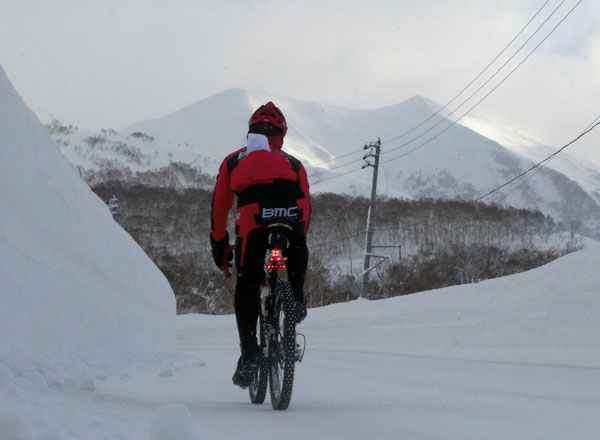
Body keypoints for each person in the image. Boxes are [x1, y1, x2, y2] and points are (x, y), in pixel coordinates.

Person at [209, 101, 310, 387]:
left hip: (253, 218)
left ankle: (250, 351)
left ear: (250, 132)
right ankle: (297, 300)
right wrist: (299, 238)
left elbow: (220, 208)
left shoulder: (233, 161)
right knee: (299, 242)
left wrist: (220, 244)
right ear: (282, 135)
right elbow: (307, 207)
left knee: (249, 281)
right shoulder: (293, 163)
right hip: (292, 214)